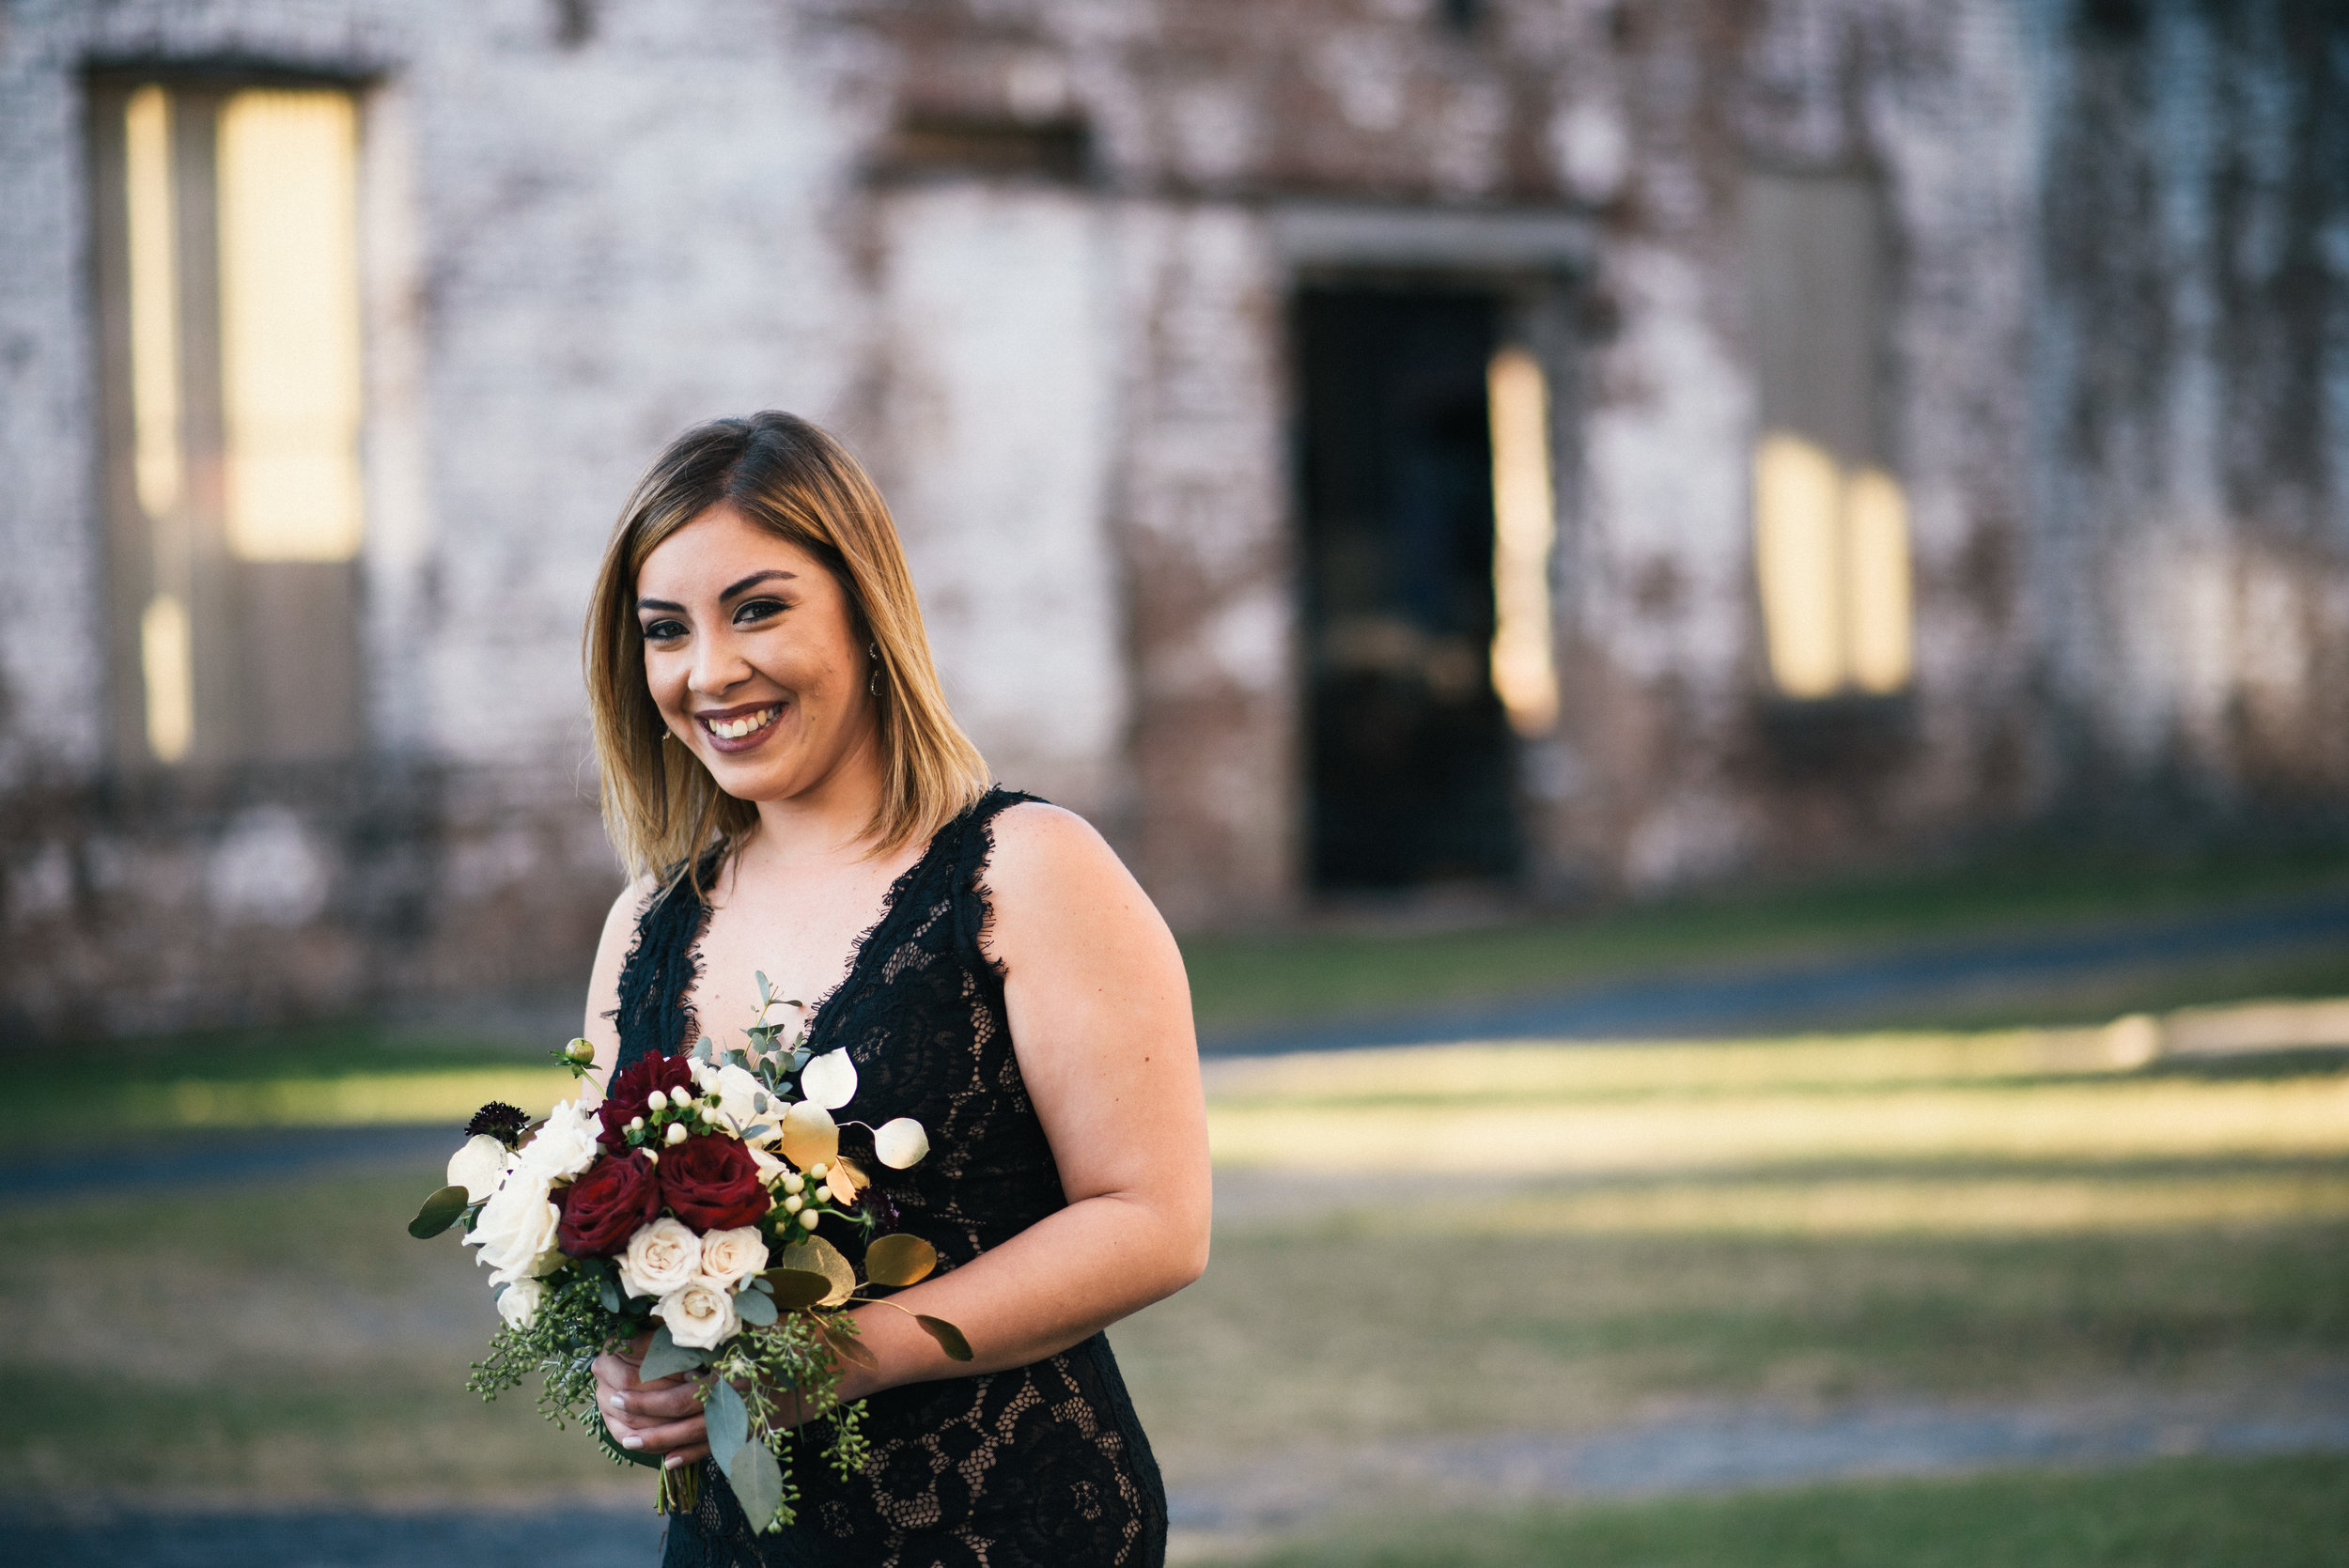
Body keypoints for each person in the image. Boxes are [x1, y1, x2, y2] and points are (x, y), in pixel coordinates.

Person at [572, 411, 1210, 1567]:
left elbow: (1155, 1223)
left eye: (758, 609)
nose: (709, 670)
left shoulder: (1026, 868)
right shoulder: (641, 933)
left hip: (1006, 1526)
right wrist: (632, 1371)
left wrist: (841, 1356)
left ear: (866, 616)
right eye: (666, 630)